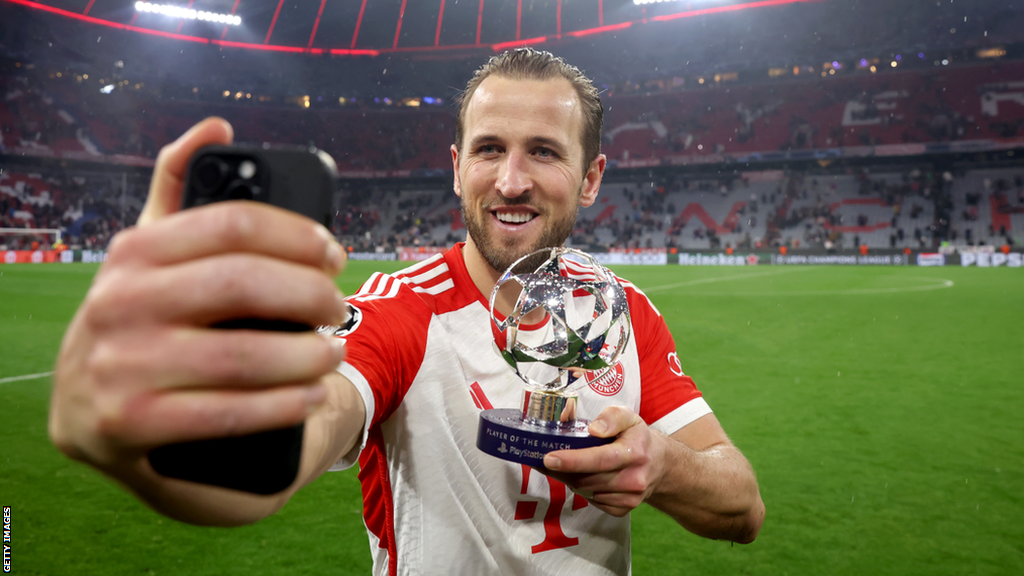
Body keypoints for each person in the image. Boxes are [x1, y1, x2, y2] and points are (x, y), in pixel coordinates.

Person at [49, 48, 764, 575]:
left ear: (591, 179)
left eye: (543, 151)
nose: (511, 181)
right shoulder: (399, 313)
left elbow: (742, 506)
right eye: (489, 150)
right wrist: (154, 439)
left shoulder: (624, 313)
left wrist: (661, 463)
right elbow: (286, 447)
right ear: (457, 167)